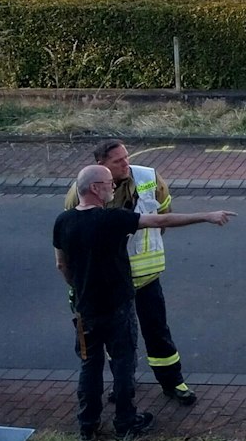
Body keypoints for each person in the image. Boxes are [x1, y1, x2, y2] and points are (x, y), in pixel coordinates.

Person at [54, 163, 233, 441]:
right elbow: (160, 221)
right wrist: (207, 216)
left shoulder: (62, 221)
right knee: (124, 364)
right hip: (117, 307)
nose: (113, 187)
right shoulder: (112, 219)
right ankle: (125, 421)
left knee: (89, 366)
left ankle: (87, 426)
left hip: (84, 310)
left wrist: (78, 289)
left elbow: (61, 264)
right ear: (95, 188)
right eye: (108, 184)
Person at [62, 140, 197, 406]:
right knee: (118, 339)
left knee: (157, 331)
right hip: (110, 283)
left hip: (146, 277)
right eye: (118, 161)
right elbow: (73, 232)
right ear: (101, 166)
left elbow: (164, 216)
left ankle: (173, 382)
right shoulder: (82, 189)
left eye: (126, 158)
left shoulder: (148, 177)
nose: (126, 164)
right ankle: (124, 385)